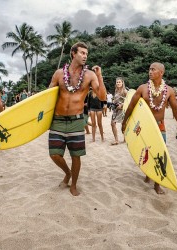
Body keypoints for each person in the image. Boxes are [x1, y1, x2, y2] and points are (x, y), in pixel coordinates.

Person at [48, 41, 107, 196]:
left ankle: (73, 184)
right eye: (82, 53)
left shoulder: (89, 75)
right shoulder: (59, 74)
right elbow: (48, 96)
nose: (85, 56)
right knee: (54, 154)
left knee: (76, 155)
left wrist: (99, 75)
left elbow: (102, 96)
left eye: (86, 54)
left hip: (76, 120)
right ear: (73, 53)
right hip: (58, 120)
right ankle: (67, 172)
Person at [122, 62, 177, 194]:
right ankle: (148, 173)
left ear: (161, 73)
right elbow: (131, 106)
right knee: (146, 150)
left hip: (160, 125)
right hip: (145, 126)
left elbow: (175, 110)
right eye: (149, 69)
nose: (150, 72)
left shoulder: (169, 91)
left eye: (153, 69)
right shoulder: (142, 88)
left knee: (160, 153)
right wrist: (124, 122)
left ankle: (157, 184)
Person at [111, 77, 128, 145]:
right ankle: (116, 140)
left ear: (122, 83)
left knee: (123, 124)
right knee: (112, 123)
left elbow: (128, 100)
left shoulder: (125, 91)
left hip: (122, 110)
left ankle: (125, 138)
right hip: (115, 110)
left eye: (119, 82)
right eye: (117, 82)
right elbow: (116, 99)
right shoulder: (116, 90)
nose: (118, 83)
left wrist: (122, 105)